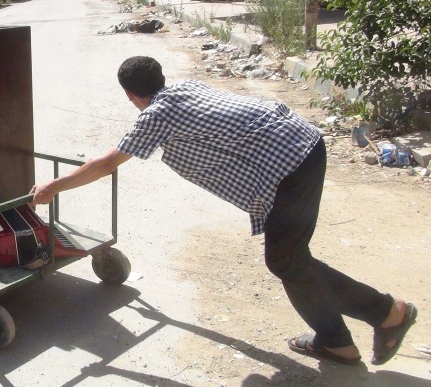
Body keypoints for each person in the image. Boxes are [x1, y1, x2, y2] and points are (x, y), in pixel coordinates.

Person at [30, 56, 417, 366]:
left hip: (291, 164)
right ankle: (340, 339)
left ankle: (386, 314)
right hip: (302, 145)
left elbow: (107, 162)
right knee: (290, 259)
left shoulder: (156, 116)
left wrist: (53, 186)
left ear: (131, 95)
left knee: (286, 260)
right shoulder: (184, 88)